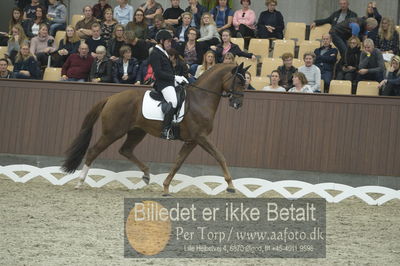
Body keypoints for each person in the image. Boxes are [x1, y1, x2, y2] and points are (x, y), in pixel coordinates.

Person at [148, 30, 177, 139]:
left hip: (170, 82)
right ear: (161, 41)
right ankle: (166, 129)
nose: (170, 43)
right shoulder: (155, 53)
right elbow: (159, 73)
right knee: (173, 101)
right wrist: (174, 77)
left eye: (170, 41)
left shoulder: (163, 52)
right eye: (168, 41)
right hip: (163, 84)